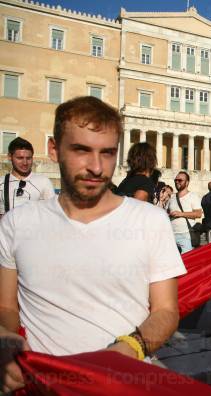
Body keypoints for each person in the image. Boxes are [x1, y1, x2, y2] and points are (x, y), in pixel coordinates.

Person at [0, 96, 186, 393]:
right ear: (54, 150)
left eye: (108, 153)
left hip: (125, 382)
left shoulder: (151, 221)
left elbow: (166, 311)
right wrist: (7, 342)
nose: (97, 167)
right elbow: (6, 305)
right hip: (42, 384)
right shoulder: (15, 224)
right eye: (81, 150)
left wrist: (129, 348)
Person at [0, 137, 55, 217]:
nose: (25, 163)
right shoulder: (2, 183)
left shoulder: (43, 182)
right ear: (9, 157)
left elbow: (52, 214)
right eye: (20, 158)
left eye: (28, 158)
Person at [167, 171, 203, 253]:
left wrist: (181, 214)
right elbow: (167, 213)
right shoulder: (172, 197)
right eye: (175, 180)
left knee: (186, 262)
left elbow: (198, 214)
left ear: (187, 183)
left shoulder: (193, 196)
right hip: (171, 236)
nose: (177, 182)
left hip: (186, 236)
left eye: (180, 180)